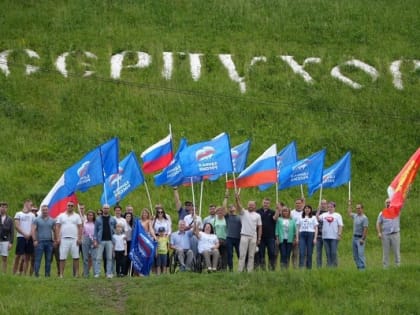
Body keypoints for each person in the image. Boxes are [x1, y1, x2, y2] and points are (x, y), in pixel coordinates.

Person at [235, 193, 262, 272]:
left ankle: (250, 271)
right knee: (242, 254)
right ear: (247, 205)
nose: (250, 206)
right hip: (244, 236)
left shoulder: (258, 215)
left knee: (251, 255)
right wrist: (237, 199)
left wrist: (259, 238)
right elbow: (239, 207)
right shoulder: (244, 212)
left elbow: (259, 227)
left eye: (252, 205)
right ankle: (240, 270)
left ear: (255, 206)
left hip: (253, 236)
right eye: (249, 205)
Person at [55, 201, 83, 277]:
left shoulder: (77, 216)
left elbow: (80, 227)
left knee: (76, 257)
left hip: (74, 239)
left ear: (73, 207)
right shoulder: (61, 215)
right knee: (62, 257)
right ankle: (61, 274)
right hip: (63, 239)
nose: (70, 207)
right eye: (69, 205)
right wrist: (58, 237)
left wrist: (79, 238)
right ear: (66, 206)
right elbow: (57, 226)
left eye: (71, 205)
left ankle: (77, 274)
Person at [317, 201, 343, 267]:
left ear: (334, 207)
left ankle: (334, 266)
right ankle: (329, 266)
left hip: (334, 237)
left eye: (331, 207)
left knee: (333, 252)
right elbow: (317, 218)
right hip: (325, 237)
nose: (330, 208)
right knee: (328, 253)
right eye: (328, 207)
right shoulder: (324, 214)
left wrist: (339, 234)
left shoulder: (337, 215)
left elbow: (340, 225)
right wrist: (318, 210)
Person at [31, 205, 55, 277]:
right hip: (40, 242)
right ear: (41, 211)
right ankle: (36, 274)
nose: (45, 211)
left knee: (48, 260)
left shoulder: (52, 220)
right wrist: (34, 240)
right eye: (43, 210)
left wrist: (55, 240)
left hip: (49, 242)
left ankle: (47, 275)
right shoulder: (37, 220)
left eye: (46, 210)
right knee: (38, 259)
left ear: (48, 211)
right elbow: (33, 230)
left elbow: (55, 230)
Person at [94, 204, 117, 278]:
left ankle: (108, 273)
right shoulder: (98, 219)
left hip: (110, 241)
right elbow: (95, 230)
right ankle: (97, 273)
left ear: (109, 209)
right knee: (98, 258)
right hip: (100, 241)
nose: (106, 209)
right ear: (102, 209)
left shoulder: (113, 219)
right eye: (104, 208)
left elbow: (116, 228)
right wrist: (95, 240)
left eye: (107, 208)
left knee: (109, 258)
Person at [13, 199, 35, 275]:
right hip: (21, 237)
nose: (31, 207)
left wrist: (29, 234)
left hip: (29, 237)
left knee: (27, 257)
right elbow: (17, 226)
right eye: (30, 205)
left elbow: (33, 226)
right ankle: (14, 272)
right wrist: (24, 234)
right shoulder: (18, 214)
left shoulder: (32, 215)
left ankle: (24, 274)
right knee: (18, 256)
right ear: (26, 204)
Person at [256, 197, 279, 271]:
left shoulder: (272, 212)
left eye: (267, 203)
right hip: (261, 237)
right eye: (264, 203)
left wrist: (278, 210)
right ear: (262, 203)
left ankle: (271, 268)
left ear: (269, 204)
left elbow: (275, 218)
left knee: (272, 252)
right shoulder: (257, 212)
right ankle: (263, 269)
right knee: (261, 253)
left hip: (270, 237)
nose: (266, 204)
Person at [376, 198, 400, 268]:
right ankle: (385, 267)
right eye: (387, 203)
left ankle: (398, 266)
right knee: (385, 252)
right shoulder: (382, 213)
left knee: (396, 251)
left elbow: (401, 203)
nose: (388, 204)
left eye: (389, 202)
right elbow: (378, 223)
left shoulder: (396, 211)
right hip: (385, 235)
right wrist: (379, 233)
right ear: (385, 204)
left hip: (395, 234)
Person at [296, 205, 318, 269]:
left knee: (309, 252)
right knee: (302, 252)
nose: (307, 209)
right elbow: (297, 228)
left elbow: (316, 228)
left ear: (310, 210)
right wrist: (297, 238)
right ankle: (301, 267)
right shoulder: (300, 217)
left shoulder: (313, 217)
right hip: (302, 234)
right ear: (304, 209)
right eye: (306, 208)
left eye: (308, 208)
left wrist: (315, 238)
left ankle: (309, 268)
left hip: (310, 234)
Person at [348, 201, 368, 270]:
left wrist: (363, 239)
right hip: (354, 238)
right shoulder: (355, 216)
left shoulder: (364, 218)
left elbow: (365, 229)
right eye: (357, 208)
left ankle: (363, 269)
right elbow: (349, 213)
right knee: (355, 255)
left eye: (359, 208)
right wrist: (350, 205)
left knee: (360, 254)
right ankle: (359, 267)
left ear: (362, 209)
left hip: (360, 238)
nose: (357, 209)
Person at [224, 194, 241, 272]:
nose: (231, 208)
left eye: (232, 206)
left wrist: (237, 199)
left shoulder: (240, 217)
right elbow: (223, 207)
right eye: (229, 207)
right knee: (230, 255)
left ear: (235, 208)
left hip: (238, 238)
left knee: (239, 254)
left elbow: (240, 208)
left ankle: (241, 269)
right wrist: (226, 197)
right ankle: (231, 270)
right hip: (229, 238)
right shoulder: (227, 216)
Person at [81, 210, 97, 277]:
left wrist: (96, 241)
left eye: (91, 215)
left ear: (93, 216)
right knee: (85, 257)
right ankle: (86, 274)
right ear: (87, 216)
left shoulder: (96, 224)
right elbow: (82, 232)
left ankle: (95, 273)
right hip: (86, 239)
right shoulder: (84, 223)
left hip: (94, 239)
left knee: (94, 257)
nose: (90, 216)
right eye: (89, 215)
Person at [290, 198, 305, 268]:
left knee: (301, 252)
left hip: (302, 234)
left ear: (302, 204)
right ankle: (294, 266)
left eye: (299, 203)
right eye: (296, 203)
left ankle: (301, 266)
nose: (298, 204)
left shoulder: (305, 213)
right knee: (294, 252)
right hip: (293, 234)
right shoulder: (291, 212)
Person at [0, 202, 14, 273]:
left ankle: (4, 272)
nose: (3, 209)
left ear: (7, 209)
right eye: (2, 207)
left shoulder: (10, 219)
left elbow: (12, 232)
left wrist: (11, 242)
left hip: (5, 240)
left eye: (5, 207)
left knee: (4, 257)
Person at [314, 199, 328, 268]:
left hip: (327, 236)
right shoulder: (315, 212)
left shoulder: (329, 213)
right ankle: (319, 267)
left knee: (328, 252)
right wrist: (318, 210)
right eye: (322, 203)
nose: (323, 205)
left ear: (327, 204)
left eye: (324, 203)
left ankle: (329, 267)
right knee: (318, 253)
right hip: (318, 236)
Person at [213, 206, 227, 271]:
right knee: (217, 254)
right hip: (217, 240)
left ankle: (224, 268)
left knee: (224, 254)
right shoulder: (214, 220)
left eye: (221, 211)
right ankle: (218, 267)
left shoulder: (225, 219)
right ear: (216, 212)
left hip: (224, 239)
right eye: (218, 211)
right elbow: (213, 230)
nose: (220, 212)